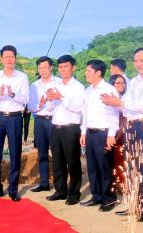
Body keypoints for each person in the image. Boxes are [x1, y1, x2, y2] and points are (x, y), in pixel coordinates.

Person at [101, 47, 143, 221]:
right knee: (131, 168)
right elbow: (126, 106)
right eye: (136, 61)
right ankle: (133, 204)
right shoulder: (134, 81)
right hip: (132, 126)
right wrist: (113, 102)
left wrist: (120, 102)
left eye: (142, 60)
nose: (138, 64)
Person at [0, 45, 29, 202]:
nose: (9, 59)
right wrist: (0, 94)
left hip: (15, 118)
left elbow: (25, 100)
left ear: (15, 58)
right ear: (1, 59)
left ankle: (13, 190)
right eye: (6, 57)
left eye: (11, 56)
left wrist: (12, 94)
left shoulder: (22, 77)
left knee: (15, 154)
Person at [79, 60, 119, 212]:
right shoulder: (88, 91)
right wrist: (83, 132)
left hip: (104, 133)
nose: (86, 74)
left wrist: (111, 135)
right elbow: (85, 114)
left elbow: (114, 114)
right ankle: (97, 196)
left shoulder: (109, 89)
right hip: (90, 133)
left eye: (88, 71)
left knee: (105, 167)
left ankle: (109, 199)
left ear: (98, 73)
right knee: (92, 166)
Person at [45, 55, 84, 205]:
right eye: (60, 67)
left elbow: (77, 108)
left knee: (72, 162)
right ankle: (60, 191)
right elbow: (50, 109)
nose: (62, 70)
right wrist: (48, 100)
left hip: (71, 128)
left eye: (65, 66)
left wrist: (61, 97)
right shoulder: (56, 85)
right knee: (57, 161)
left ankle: (74, 193)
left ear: (73, 67)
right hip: (56, 127)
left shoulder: (78, 87)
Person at [28, 56, 60, 192]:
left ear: (51, 67)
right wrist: (40, 105)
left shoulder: (59, 83)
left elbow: (61, 103)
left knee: (58, 154)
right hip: (40, 121)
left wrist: (52, 100)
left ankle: (60, 185)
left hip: (55, 120)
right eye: (40, 68)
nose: (42, 70)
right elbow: (30, 107)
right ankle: (44, 183)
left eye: (45, 67)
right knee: (42, 153)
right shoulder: (35, 86)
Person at [108, 74, 127, 191]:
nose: (121, 85)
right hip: (110, 129)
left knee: (121, 157)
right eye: (117, 83)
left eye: (123, 83)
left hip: (124, 130)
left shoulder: (127, 97)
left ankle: (121, 183)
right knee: (111, 157)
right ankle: (111, 182)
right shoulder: (108, 97)